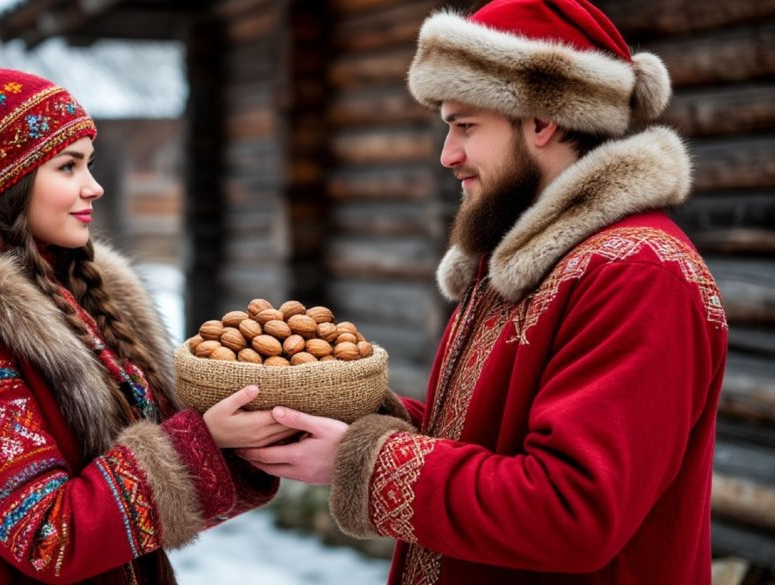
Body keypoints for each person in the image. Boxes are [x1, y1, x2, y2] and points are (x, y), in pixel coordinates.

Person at [239, 1, 728, 583]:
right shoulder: (526, 261)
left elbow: (572, 513)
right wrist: (344, 415)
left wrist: (365, 463)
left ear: (542, 119)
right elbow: (480, 439)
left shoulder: (640, 273)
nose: (448, 155)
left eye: (465, 125)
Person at [0, 68, 294, 584]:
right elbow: (48, 537)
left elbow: (146, 508)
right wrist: (195, 442)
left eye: (88, 164)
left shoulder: (78, 298)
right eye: (69, 167)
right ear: (6, 184)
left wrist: (242, 443)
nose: (95, 186)